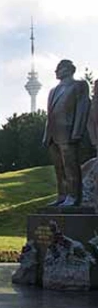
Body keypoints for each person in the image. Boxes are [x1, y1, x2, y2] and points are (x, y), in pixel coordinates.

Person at [43, 59, 90, 206]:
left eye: (59, 68)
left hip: (68, 132)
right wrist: (46, 135)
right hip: (53, 135)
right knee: (59, 168)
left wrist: (77, 132)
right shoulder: (53, 91)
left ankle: (73, 196)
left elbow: (82, 109)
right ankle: (62, 196)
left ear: (70, 70)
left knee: (71, 166)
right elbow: (49, 115)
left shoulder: (79, 86)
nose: (56, 71)